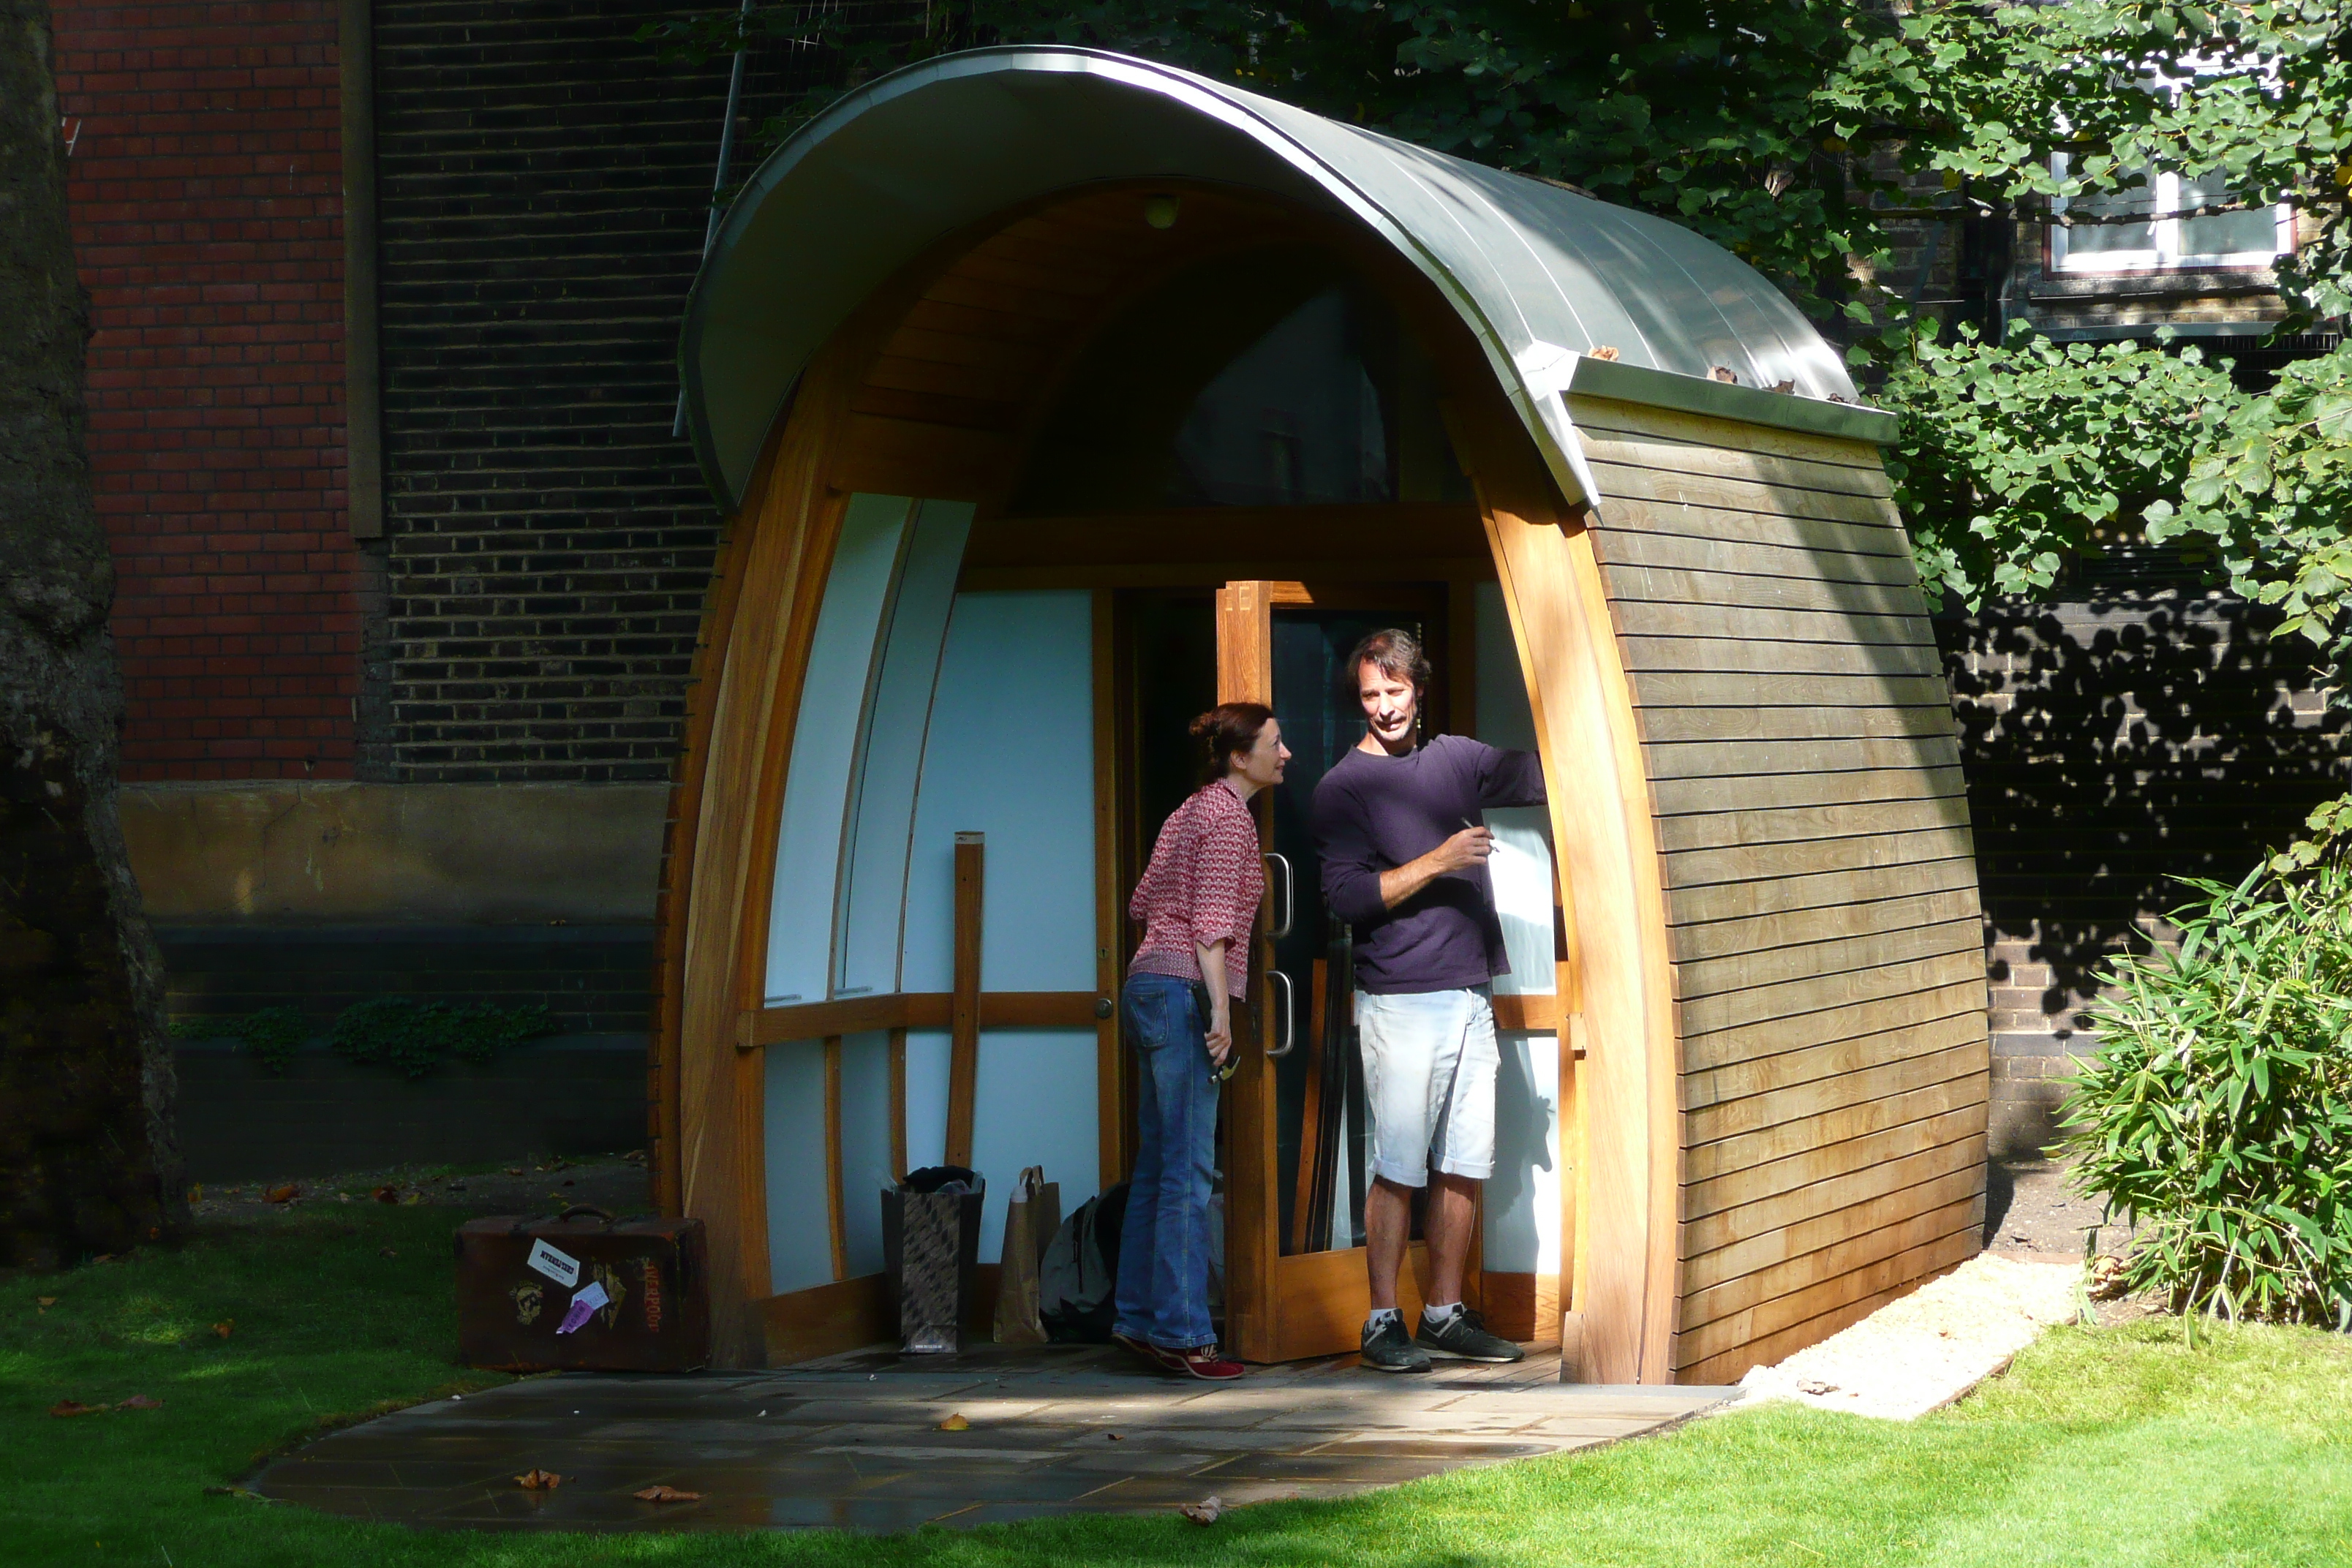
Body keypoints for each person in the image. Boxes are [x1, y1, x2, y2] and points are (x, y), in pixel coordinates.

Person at [1310, 627, 1546, 1372]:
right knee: (1398, 1165)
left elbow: (1545, 775)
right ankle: (1383, 1320)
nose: (1385, 707)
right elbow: (1345, 897)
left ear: (1420, 687)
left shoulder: (1457, 759)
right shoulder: (1342, 787)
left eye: (1396, 691)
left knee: (1464, 1162)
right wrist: (1440, 859)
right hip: (1400, 1002)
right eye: (1372, 695)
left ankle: (1443, 1312)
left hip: (1472, 995)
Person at [1114, 701, 1291, 1382]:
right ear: (1240, 757)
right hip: (1184, 992)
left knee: (1159, 1167)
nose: (1286, 753)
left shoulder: (1187, 813)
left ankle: (1138, 1318)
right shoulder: (1228, 820)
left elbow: (1140, 904)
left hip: (1147, 988)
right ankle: (1186, 1336)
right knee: (1188, 1172)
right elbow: (1212, 929)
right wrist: (1220, 1013)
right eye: (1276, 744)